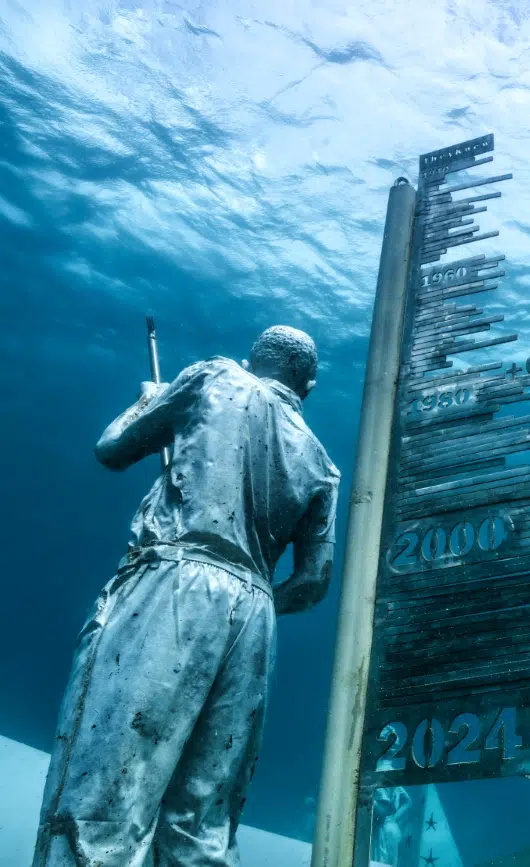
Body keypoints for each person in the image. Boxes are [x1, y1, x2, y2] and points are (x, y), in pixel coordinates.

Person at [33, 326, 340, 867]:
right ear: (307, 384)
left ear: (254, 359)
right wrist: (257, 594)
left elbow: (112, 449)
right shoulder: (320, 463)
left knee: (103, 790)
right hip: (256, 616)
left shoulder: (214, 376)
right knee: (203, 825)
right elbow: (313, 582)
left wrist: (150, 400)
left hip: (173, 581)